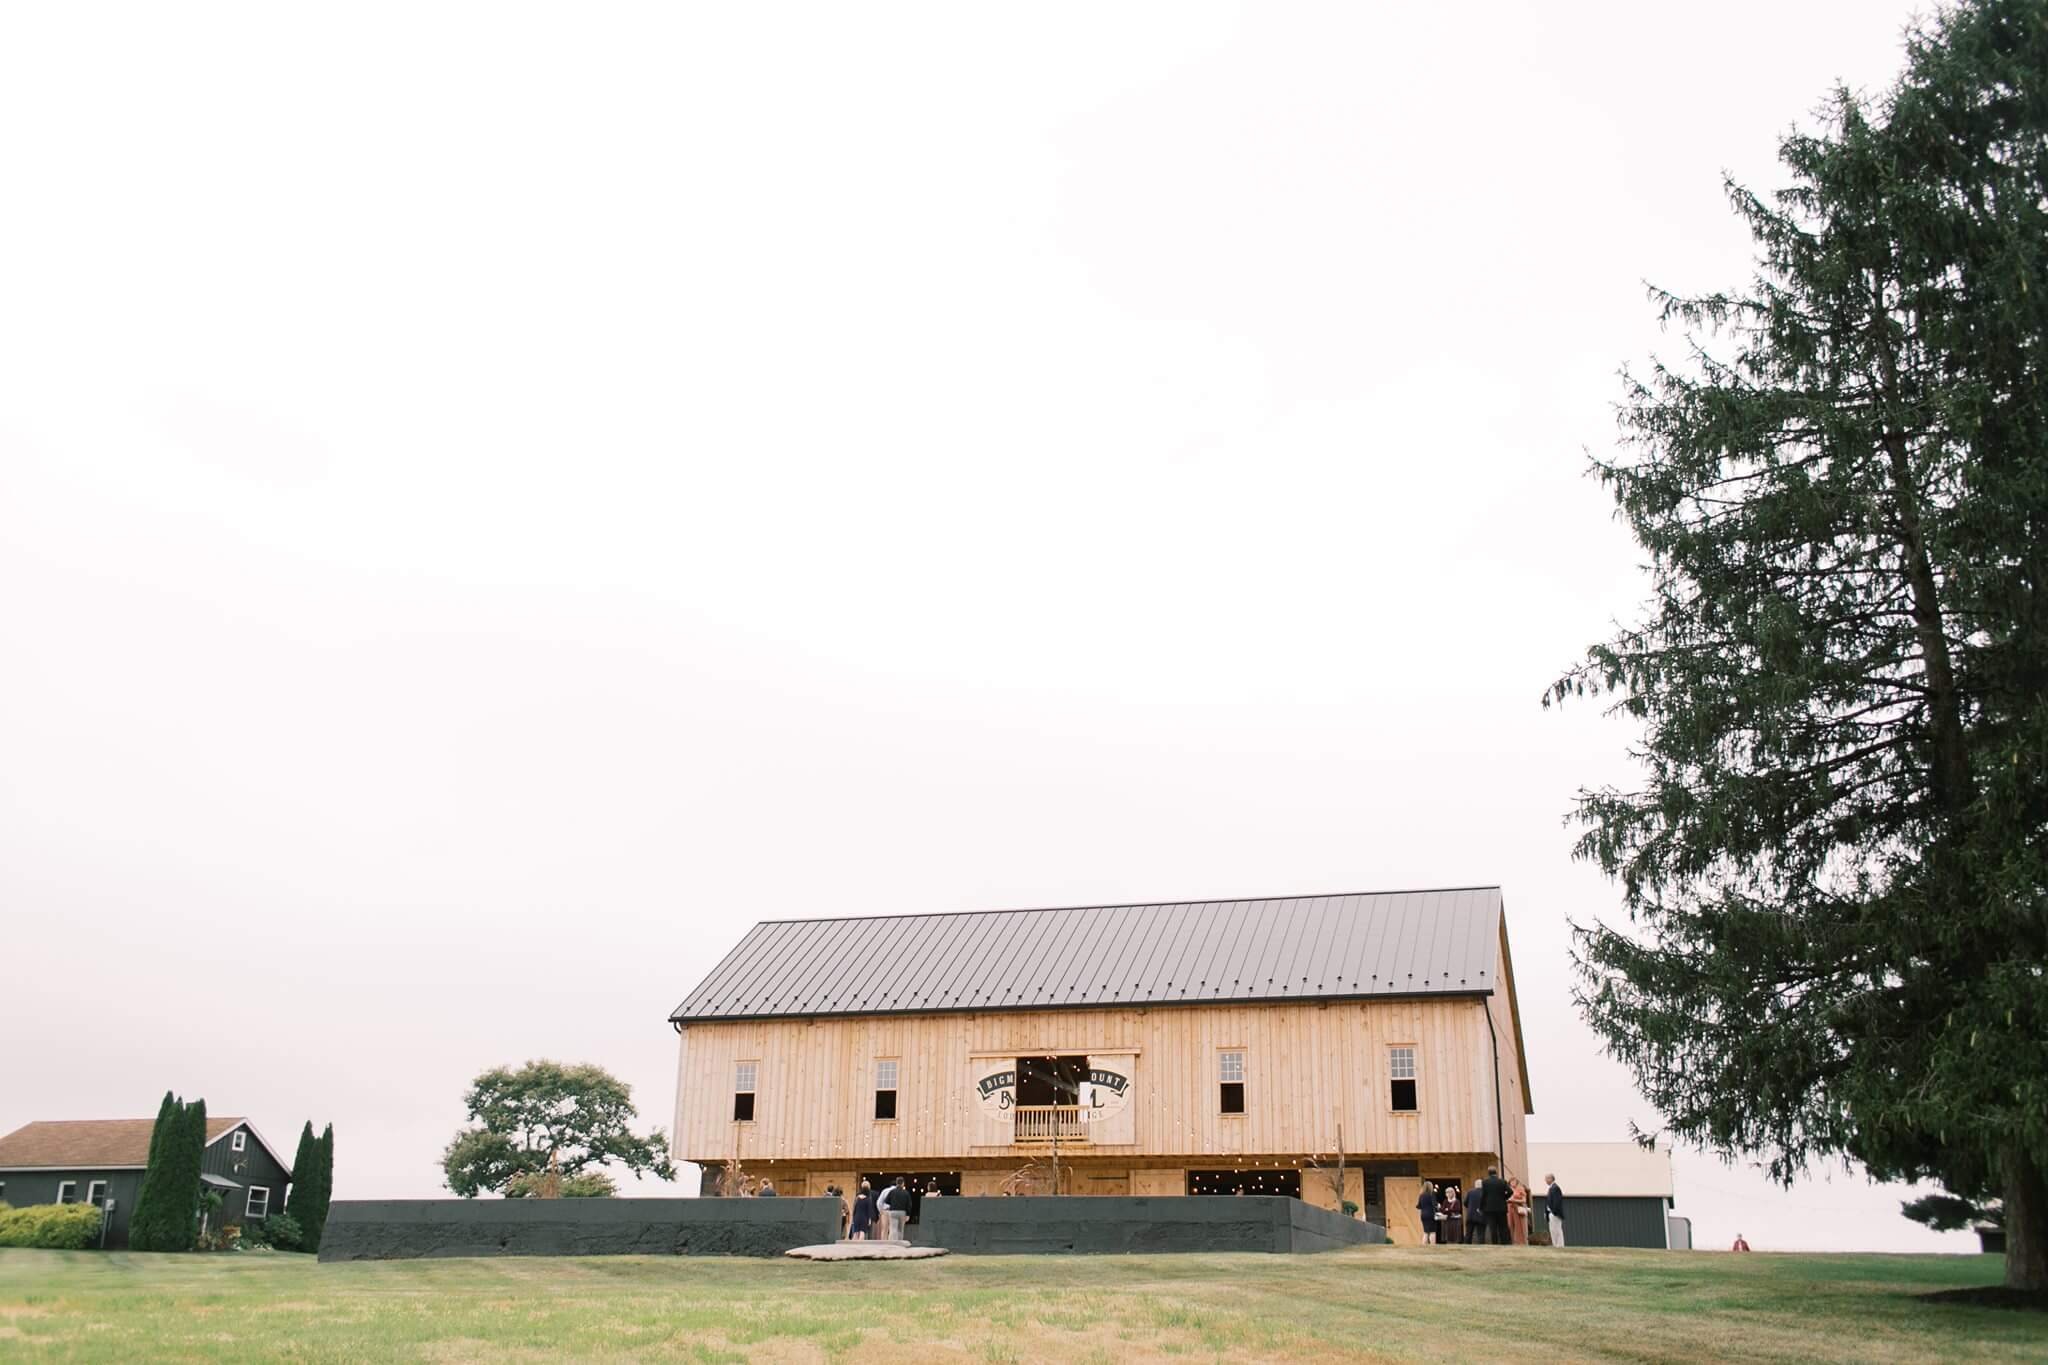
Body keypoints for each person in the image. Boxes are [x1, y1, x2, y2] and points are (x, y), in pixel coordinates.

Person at [1479, 1167, 1512, 1247]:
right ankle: (1505, 1243)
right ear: (1496, 1172)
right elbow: (1510, 1191)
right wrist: (1504, 1198)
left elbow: (1483, 1195)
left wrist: (1481, 1207)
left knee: (1492, 1227)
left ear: (1488, 1173)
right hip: (1501, 1208)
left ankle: (1495, 1243)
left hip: (1489, 1208)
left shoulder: (1485, 1182)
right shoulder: (1502, 1181)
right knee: (1503, 1226)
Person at [1463, 1174, 1487, 1243]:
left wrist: (1470, 1207)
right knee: (1481, 1234)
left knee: (1468, 1233)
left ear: (1475, 1185)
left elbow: (1465, 1203)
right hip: (1481, 1215)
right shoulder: (1485, 1193)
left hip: (1470, 1215)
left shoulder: (1470, 1192)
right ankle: (1482, 1248)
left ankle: (1467, 1247)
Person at [1544, 1174, 1565, 1247]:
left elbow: (1557, 1201)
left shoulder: (1555, 1188)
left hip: (1554, 1213)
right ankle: (1555, 1244)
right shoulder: (1551, 1188)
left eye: (1547, 1178)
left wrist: (1554, 1212)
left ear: (1551, 1179)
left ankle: (1560, 1245)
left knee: (1557, 1229)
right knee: (1552, 1230)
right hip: (1550, 1213)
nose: (1545, 1180)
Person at [1508, 1177, 1529, 1245]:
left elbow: (1524, 1200)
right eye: (1511, 1181)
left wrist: (1514, 1200)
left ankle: (1521, 1242)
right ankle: (1513, 1242)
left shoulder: (1520, 1188)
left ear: (1516, 1182)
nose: (1512, 1183)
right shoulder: (1508, 1189)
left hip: (1518, 1208)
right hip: (1510, 1209)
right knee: (1510, 1225)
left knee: (1519, 1226)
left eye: (1514, 1181)